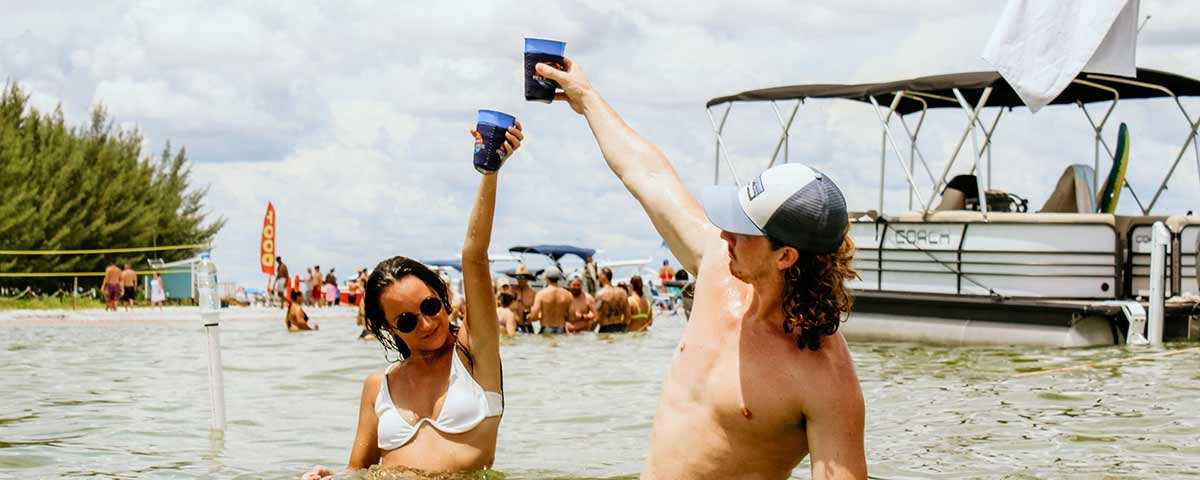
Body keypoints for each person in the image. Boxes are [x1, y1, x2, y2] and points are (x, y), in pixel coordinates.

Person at [538, 58, 866, 479]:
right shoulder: (717, 267)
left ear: (785, 257)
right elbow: (649, 175)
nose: (726, 233)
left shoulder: (824, 376)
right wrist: (587, 99)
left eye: (743, 229)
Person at [302, 120, 521, 480]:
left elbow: (474, 255)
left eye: (430, 306)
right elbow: (357, 471)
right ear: (389, 328)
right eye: (406, 320)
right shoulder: (379, 385)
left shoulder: (474, 353)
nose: (426, 323)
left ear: (443, 299)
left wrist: (490, 172)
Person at [530, 267, 572, 334]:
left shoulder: (541, 294)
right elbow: (572, 316)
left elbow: (534, 316)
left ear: (546, 278)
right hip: (562, 329)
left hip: (546, 328)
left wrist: (539, 316)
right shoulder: (567, 294)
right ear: (558, 278)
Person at [594, 267, 630, 333]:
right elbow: (628, 316)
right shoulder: (622, 292)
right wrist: (623, 328)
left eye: (598, 277)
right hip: (620, 328)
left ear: (603, 277)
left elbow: (597, 318)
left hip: (605, 329)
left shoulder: (600, 294)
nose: (597, 280)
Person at [512, 265, 537, 334]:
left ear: (527, 278)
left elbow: (536, 310)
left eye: (522, 277)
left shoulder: (532, 293)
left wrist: (532, 315)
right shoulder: (512, 290)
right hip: (515, 324)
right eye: (518, 277)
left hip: (528, 325)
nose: (520, 279)